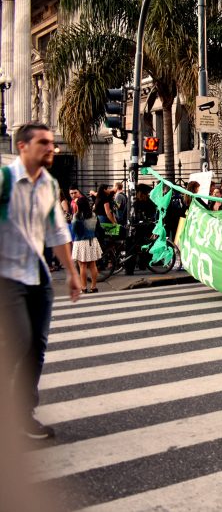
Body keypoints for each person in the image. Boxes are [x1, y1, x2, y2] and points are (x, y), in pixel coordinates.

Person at [0, 123, 82, 440]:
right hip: (6, 276)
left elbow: (57, 232)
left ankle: (22, 413)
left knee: (36, 346)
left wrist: (72, 273)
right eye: (43, 143)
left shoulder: (48, 184)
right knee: (17, 342)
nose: (51, 148)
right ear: (23, 146)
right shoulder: (6, 180)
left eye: (51, 143)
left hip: (37, 275)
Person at [70, 196, 101, 294]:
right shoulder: (93, 215)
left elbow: (74, 230)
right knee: (93, 265)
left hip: (81, 242)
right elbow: (97, 228)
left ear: (78, 206)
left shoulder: (77, 216)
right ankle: (94, 286)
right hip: (92, 240)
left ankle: (83, 287)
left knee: (82, 266)